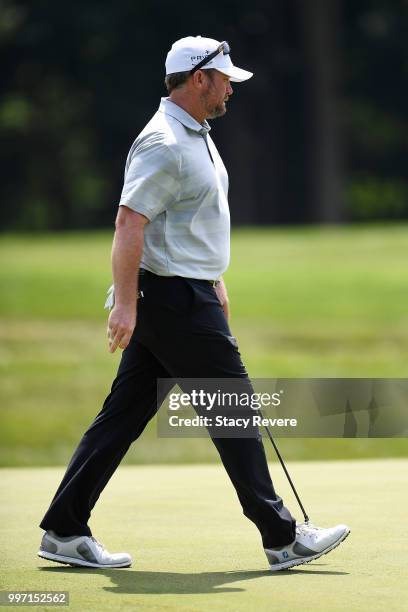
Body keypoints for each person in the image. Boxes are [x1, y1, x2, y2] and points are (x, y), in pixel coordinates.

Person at [37, 36, 350, 571]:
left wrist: (214, 279)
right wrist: (127, 306)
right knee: (236, 411)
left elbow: (184, 221)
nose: (231, 86)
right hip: (170, 299)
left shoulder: (197, 134)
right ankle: (282, 537)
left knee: (123, 416)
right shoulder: (163, 142)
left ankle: (64, 529)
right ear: (197, 78)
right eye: (224, 78)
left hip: (187, 290)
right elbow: (129, 222)